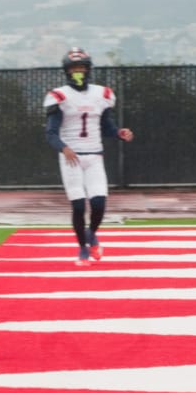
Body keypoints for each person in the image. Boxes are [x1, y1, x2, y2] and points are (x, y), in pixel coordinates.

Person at [43, 48, 134, 266]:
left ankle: (90, 234)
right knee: (78, 206)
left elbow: (107, 126)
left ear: (88, 69)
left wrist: (119, 133)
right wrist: (64, 148)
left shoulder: (101, 94)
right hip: (71, 157)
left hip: (94, 155)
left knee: (99, 202)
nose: (78, 71)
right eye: (74, 68)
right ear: (67, 71)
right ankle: (83, 249)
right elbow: (51, 133)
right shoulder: (60, 96)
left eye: (81, 67)